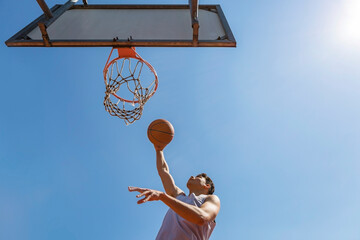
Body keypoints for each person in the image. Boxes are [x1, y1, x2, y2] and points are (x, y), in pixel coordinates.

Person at [128, 145, 221, 240]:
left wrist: (162, 196)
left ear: (207, 186)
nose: (192, 176)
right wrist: (159, 149)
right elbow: (164, 171)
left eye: (198, 177)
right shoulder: (179, 197)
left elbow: (201, 217)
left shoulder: (211, 199)